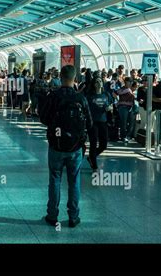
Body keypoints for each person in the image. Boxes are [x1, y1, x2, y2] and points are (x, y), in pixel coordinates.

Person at [39, 65, 92, 228]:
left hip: (56, 145)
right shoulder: (80, 98)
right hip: (75, 148)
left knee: (55, 179)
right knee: (74, 180)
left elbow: (43, 118)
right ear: (75, 78)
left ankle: (52, 215)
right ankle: (73, 217)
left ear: (60, 77)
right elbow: (89, 123)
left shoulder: (53, 96)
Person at [86, 77, 111, 170]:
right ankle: (94, 164)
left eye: (100, 81)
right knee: (93, 143)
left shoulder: (106, 95)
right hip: (93, 122)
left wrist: (109, 109)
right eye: (96, 82)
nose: (98, 83)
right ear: (93, 84)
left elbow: (109, 105)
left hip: (103, 121)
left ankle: (91, 157)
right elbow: (87, 108)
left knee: (103, 145)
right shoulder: (90, 96)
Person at [113, 77, 135, 143]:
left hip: (130, 107)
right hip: (123, 107)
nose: (130, 83)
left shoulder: (130, 89)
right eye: (129, 82)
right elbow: (114, 93)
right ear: (125, 82)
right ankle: (124, 137)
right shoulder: (122, 89)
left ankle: (127, 136)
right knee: (124, 122)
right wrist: (118, 101)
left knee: (131, 122)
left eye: (131, 82)